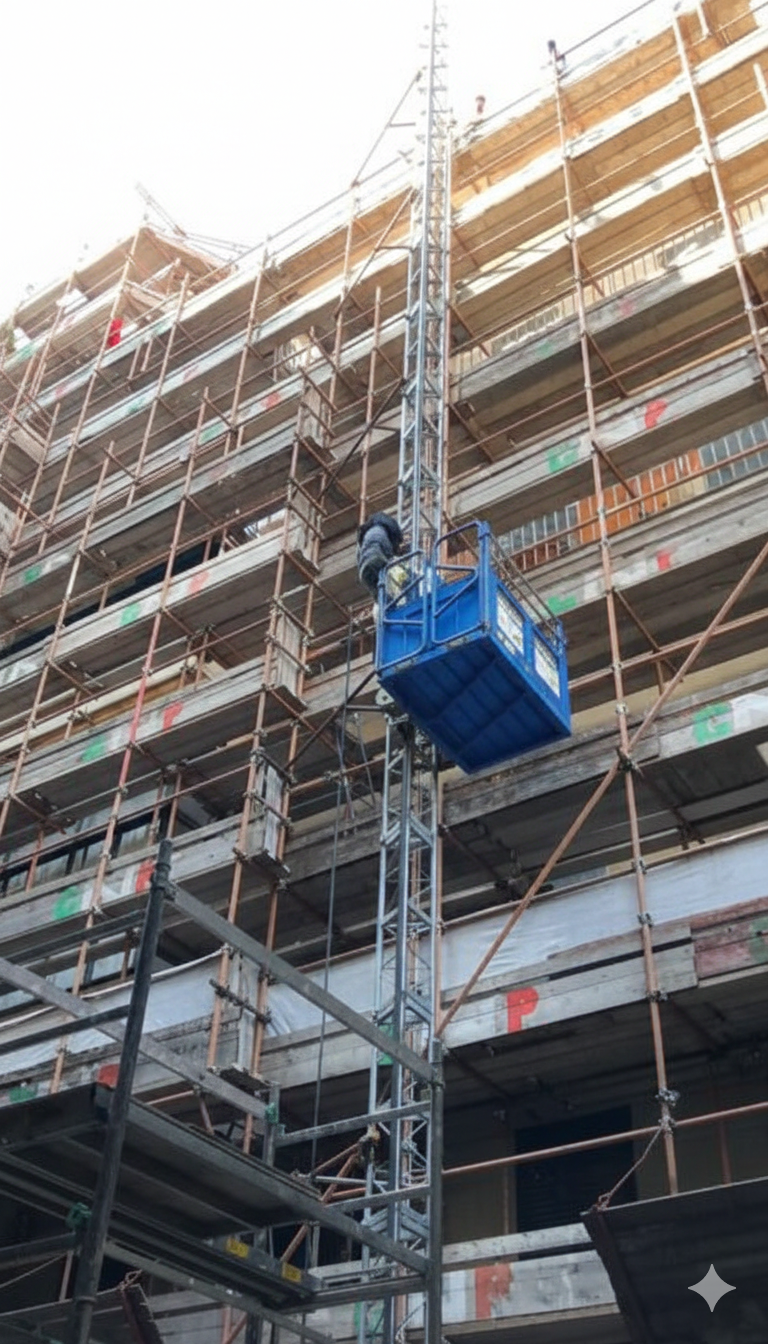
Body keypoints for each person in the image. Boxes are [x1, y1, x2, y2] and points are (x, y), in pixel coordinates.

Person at [356, 512, 404, 597]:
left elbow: (358, 558)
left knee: (379, 595)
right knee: (397, 580)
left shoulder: (367, 536)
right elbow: (387, 550)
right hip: (377, 559)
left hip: (364, 570)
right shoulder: (380, 531)